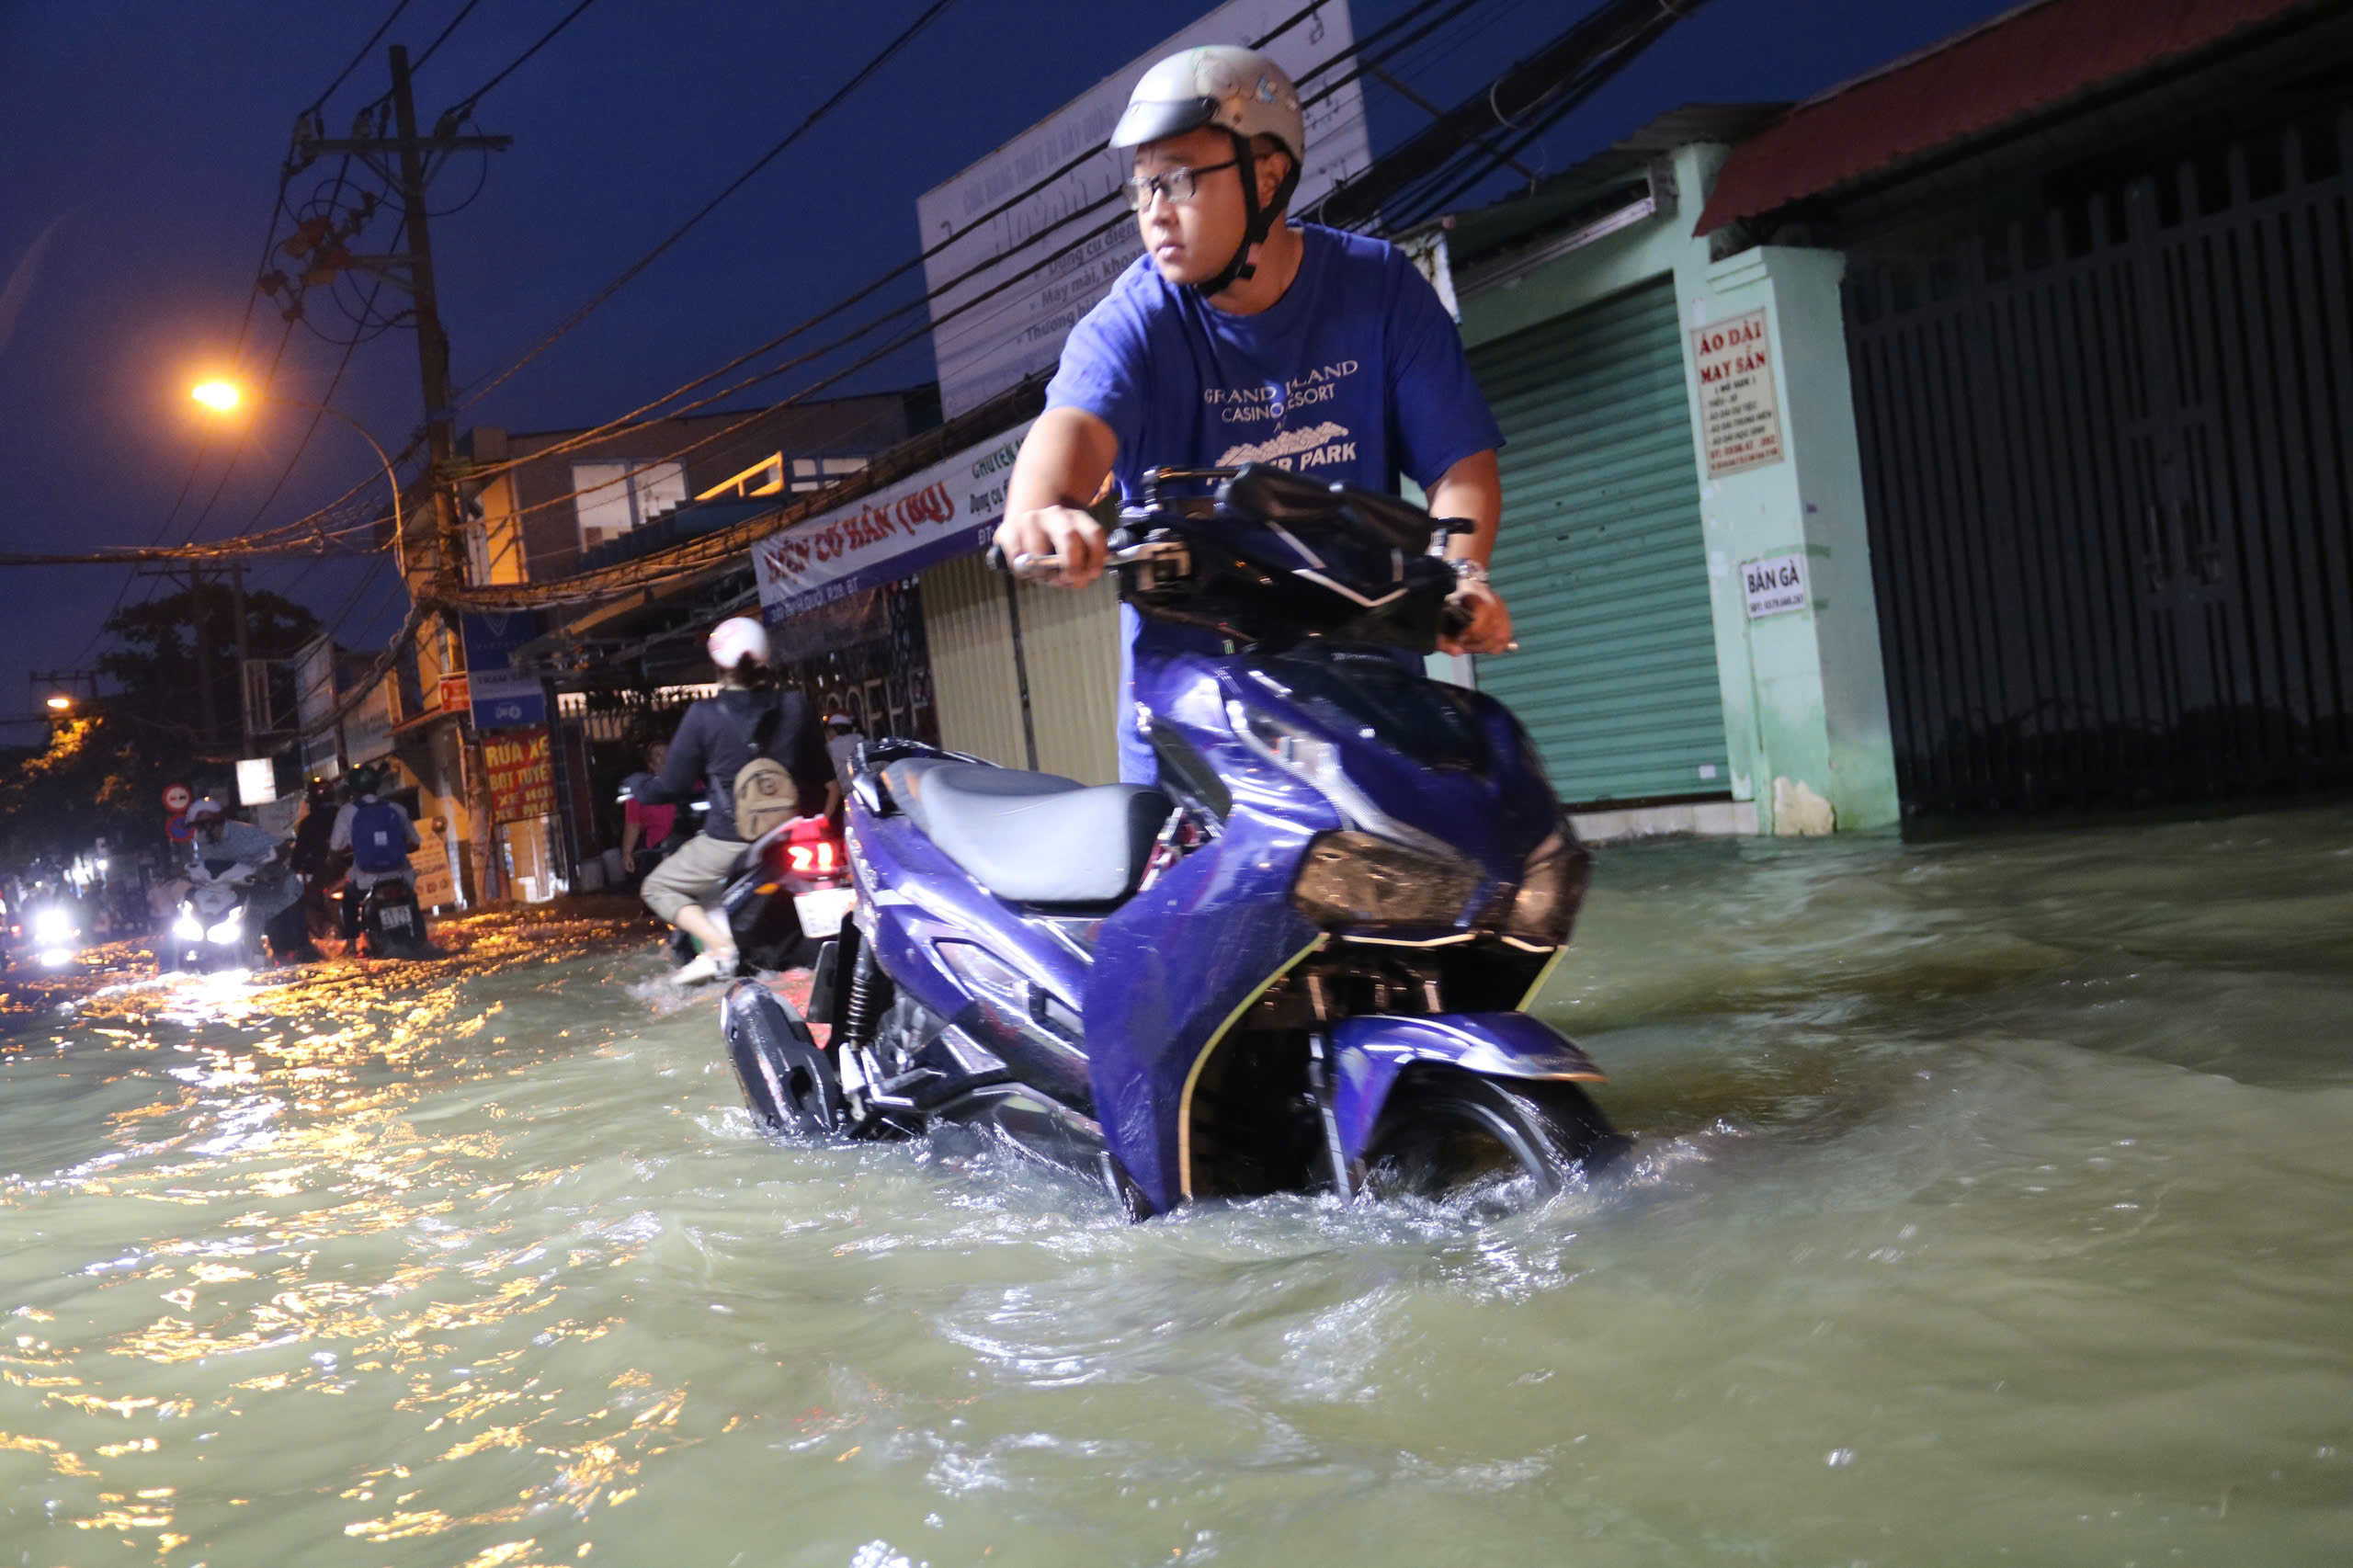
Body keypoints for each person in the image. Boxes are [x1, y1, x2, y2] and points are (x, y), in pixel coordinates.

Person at [993, 45, 1512, 784]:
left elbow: (1460, 463)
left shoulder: (1381, 290)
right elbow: (1069, 434)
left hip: (1366, 716)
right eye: (1140, 190)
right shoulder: (1133, 324)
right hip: (1194, 747)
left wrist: (1461, 573)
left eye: (1177, 181)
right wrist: (1036, 512)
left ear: (1267, 174)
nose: (1154, 213)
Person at [634, 617, 835, 983]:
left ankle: (719, 947)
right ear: (765, 659)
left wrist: (639, 787)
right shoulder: (796, 706)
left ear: (718, 665)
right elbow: (823, 775)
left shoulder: (704, 715)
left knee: (657, 886)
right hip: (794, 833)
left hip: (731, 840)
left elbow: (672, 786)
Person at [184, 797, 314, 963]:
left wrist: (265, 871)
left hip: (279, 895)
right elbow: (204, 867)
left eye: (200, 827)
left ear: (211, 824)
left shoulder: (245, 834)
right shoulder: (202, 842)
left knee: (291, 951)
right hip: (243, 900)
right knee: (254, 939)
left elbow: (282, 848)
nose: (198, 832)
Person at [329, 764, 422, 939]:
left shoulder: (347, 812)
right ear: (377, 786)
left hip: (366, 878)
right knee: (412, 900)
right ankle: (420, 937)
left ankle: (353, 944)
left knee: (349, 901)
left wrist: (338, 859)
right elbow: (416, 843)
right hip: (401, 875)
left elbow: (335, 849)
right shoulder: (397, 809)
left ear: (353, 789)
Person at [289, 776, 346, 942]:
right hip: (346, 872)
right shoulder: (344, 815)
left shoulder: (308, 824)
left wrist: (292, 869)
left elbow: (298, 854)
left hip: (328, 875)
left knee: (303, 903)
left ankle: (304, 944)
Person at [619, 740, 679, 882]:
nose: (664, 757)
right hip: (659, 851)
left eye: (667, 752)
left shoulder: (691, 783)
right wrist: (627, 853)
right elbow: (633, 824)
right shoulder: (641, 790)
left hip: (689, 847)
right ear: (651, 764)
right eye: (658, 754)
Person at [823, 711, 865, 810]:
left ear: (833, 730)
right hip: (866, 797)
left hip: (841, 801)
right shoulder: (864, 744)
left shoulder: (829, 749)